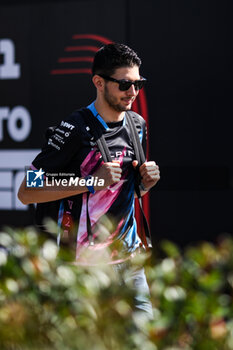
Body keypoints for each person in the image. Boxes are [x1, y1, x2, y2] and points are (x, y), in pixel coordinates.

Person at [18, 43, 160, 319]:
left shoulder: (137, 125)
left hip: (129, 262)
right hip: (84, 268)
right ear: (99, 82)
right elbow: (27, 190)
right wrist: (89, 182)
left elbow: (121, 194)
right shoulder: (74, 129)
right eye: (124, 84)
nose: (132, 92)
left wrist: (144, 184)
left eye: (138, 84)